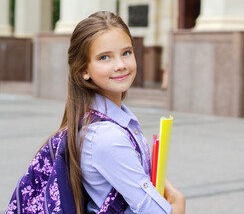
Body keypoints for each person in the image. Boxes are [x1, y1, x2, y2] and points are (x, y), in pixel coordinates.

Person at [60, 11, 185, 213]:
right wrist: (179, 203)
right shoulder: (106, 136)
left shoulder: (115, 120)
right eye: (104, 57)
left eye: (126, 52)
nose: (120, 65)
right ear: (83, 70)